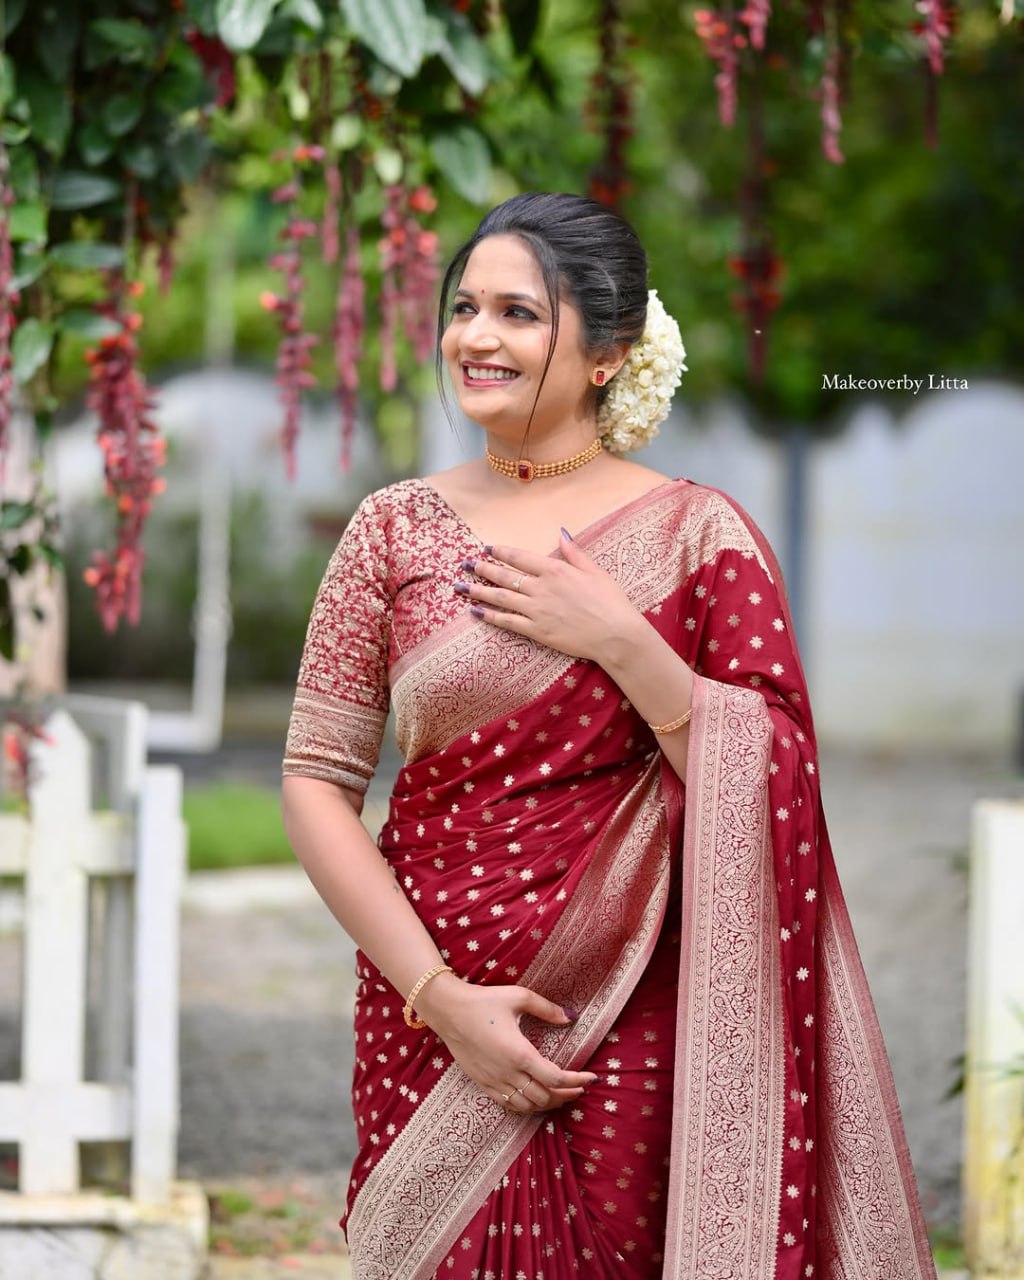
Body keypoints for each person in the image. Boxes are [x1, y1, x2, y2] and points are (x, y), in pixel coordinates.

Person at [281, 192, 936, 1280]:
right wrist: (441, 999)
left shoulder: (696, 534)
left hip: (631, 1006)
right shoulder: (390, 527)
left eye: (518, 314)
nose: (476, 338)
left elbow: (776, 774)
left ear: (608, 353)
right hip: (425, 1008)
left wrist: (627, 646)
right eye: (463, 307)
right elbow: (314, 780)